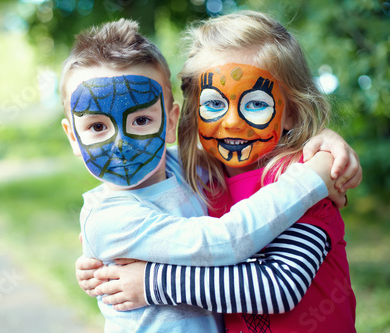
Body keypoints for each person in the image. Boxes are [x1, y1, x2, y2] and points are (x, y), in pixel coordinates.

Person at [63, 19, 360, 332]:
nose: (231, 122)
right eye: (214, 103)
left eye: (256, 103)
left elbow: (279, 285)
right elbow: (218, 242)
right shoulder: (207, 178)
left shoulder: (301, 184)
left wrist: (325, 148)